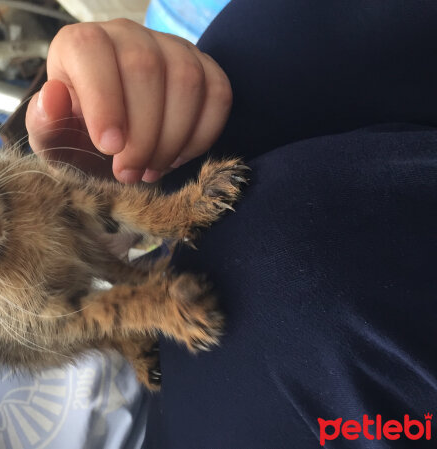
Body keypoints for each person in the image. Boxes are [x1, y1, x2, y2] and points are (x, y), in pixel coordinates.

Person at [25, 0, 437, 447]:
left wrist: (113, 136)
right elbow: (65, 318)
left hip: (136, 260)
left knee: (256, 53)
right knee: (297, 281)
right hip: (155, 408)